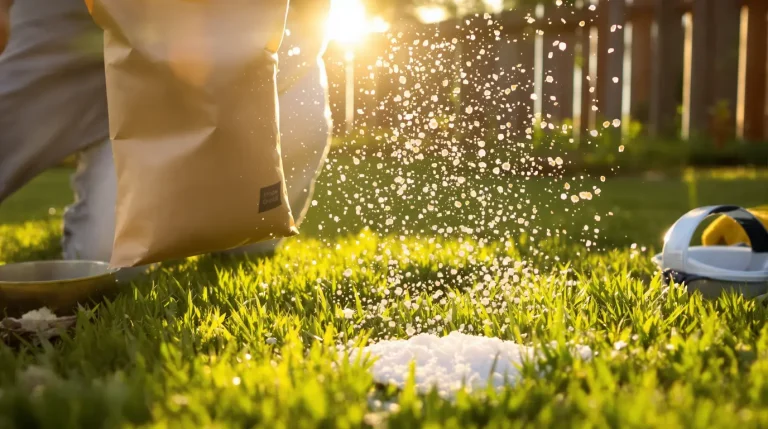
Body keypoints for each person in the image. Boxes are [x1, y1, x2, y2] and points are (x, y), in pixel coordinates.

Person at [0, 0, 332, 261]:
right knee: (109, 259)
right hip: (78, 24)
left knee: (250, 237)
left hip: (240, 24)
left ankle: (228, 226)